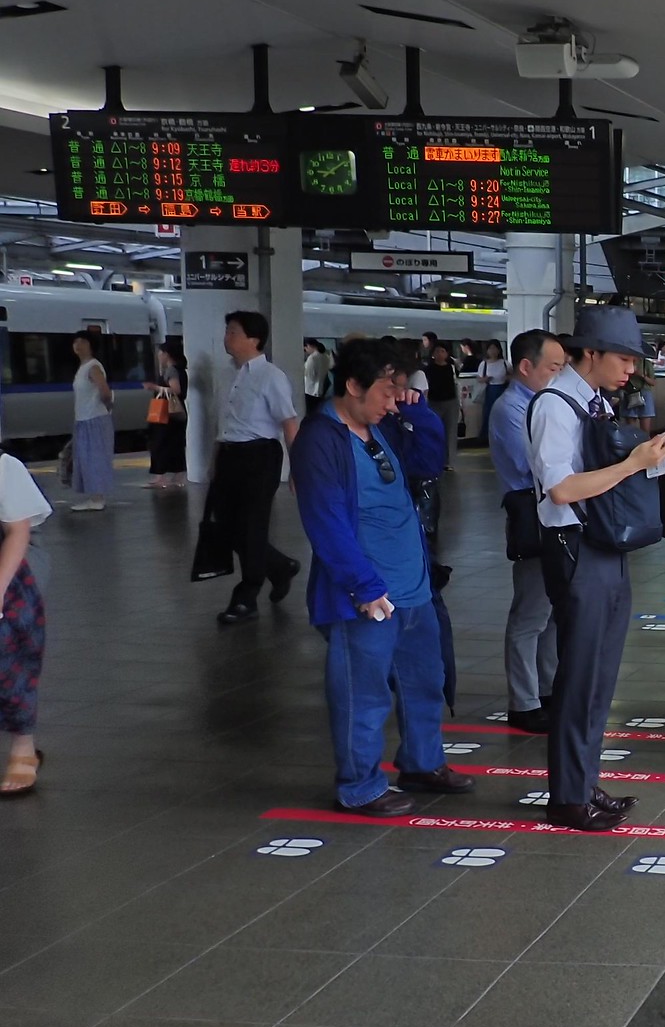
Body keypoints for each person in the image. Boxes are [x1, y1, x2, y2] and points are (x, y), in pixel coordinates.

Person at [292, 338, 473, 817]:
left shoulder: (385, 425)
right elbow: (324, 519)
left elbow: (430, 462)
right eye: (386, 392)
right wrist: (364, 587)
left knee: (425, 681)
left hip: (413, 587)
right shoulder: (320, 439)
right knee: (363, 693)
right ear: (352, 385)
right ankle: (360, 785)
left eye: (399, 392)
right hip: (366, 595)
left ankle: (422, 763)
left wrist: (420, 412)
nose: (393, 401)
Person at [527, 306, 665, 832]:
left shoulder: (590, 402)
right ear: (590, 353)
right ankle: (567, 796)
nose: (630, 369)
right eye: (623, 357)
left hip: (601, 545)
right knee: (580, 675)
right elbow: (561, 488)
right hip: (574, 546)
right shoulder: (554, 406)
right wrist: (634, 464)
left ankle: (584, 782)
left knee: (601, 674)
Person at [489, 329, 566, 735]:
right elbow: (534, 467)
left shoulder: (539, 404)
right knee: (530, 614)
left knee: (551, 611)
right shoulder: (510, 409)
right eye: (553, 368)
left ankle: (547, 690)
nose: (558, 375)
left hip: (550, 515)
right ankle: (523, 702)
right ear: (526, 367)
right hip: (531, 516)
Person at [209, 310, 302, 626]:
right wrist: (214, 461)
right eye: (227, 331)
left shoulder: (271, 377)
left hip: (259, 457)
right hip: (229, 456)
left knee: (251, 526)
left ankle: (247, 597)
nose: (226, 337)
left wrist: (298, 470)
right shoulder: (225, 375)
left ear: (254, 339)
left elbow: (289, 423)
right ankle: (279, 566)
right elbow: (221, 424)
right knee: (226, 526)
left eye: (233, 332)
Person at [0, 452, 50, 796]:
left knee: (12, 662)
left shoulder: (4, 467)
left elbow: (18, 531)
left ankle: (23, 747)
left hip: (6, 578)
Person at [65, 332, 114, 512]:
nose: (78, 345)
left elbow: (105, 391)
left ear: (91, 345)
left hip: (95, 419)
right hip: (84, 419)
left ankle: (97, 499)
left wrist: (108, 406)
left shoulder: (93, 366)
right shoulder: (82, 367)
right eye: (75, 342)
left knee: (95, 458)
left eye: (83, 342)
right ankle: (94, 497)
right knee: (86, 459)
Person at [144, 343, 189, 490]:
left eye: (160, 353)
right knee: (176, 444)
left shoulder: (171, 370)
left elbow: (175, 389)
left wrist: (154, 387)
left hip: (166, 413)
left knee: (160, 443)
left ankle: (160, 477)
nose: (159, 356)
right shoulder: (181, 370)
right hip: (178, 413)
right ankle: (178, 476)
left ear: (167, 354)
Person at [421, 343, 461, 467]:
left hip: (451, 402)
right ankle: (435, 458)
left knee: (450, 432)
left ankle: (448, 461)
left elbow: (456, 385)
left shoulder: (452, 367)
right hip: (434, 402)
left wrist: (460, 403)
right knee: (435, 431)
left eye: (442, 351)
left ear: (447, 353)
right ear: (433, 354)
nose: (439, 354)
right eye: (437, 351)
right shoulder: (428, 369)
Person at [478, 340, 510, 441]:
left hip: (503, 389)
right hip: (490, 390)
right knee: (489, 413)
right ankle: (487, 436)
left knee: (503, 413)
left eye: (495, 348)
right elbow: (479, 379)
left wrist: (507, 378)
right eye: (490, 348)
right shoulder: (484, 364)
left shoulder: (505, 363)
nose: (493, 351)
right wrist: (485, 379)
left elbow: (512, 376)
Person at [303, 340, 332, 418]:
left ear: (309, 346)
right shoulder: (326, 357)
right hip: (320, 390)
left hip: (310, 391)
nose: (306, 351)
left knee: (309, 413)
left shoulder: (312, 358)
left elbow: (310, 376)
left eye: (305, 349)